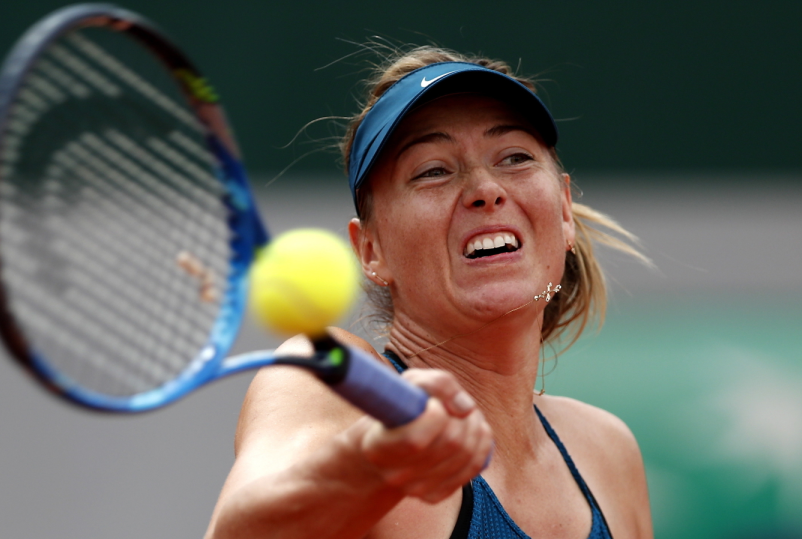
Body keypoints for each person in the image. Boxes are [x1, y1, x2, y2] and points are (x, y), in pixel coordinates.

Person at [205, 47, 653, 539]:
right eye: (432, 170)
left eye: (515, 158)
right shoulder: (338, 383)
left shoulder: (608, 451)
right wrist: (370, 464)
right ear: (372, 249)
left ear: (565, 213)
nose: (485, 188)